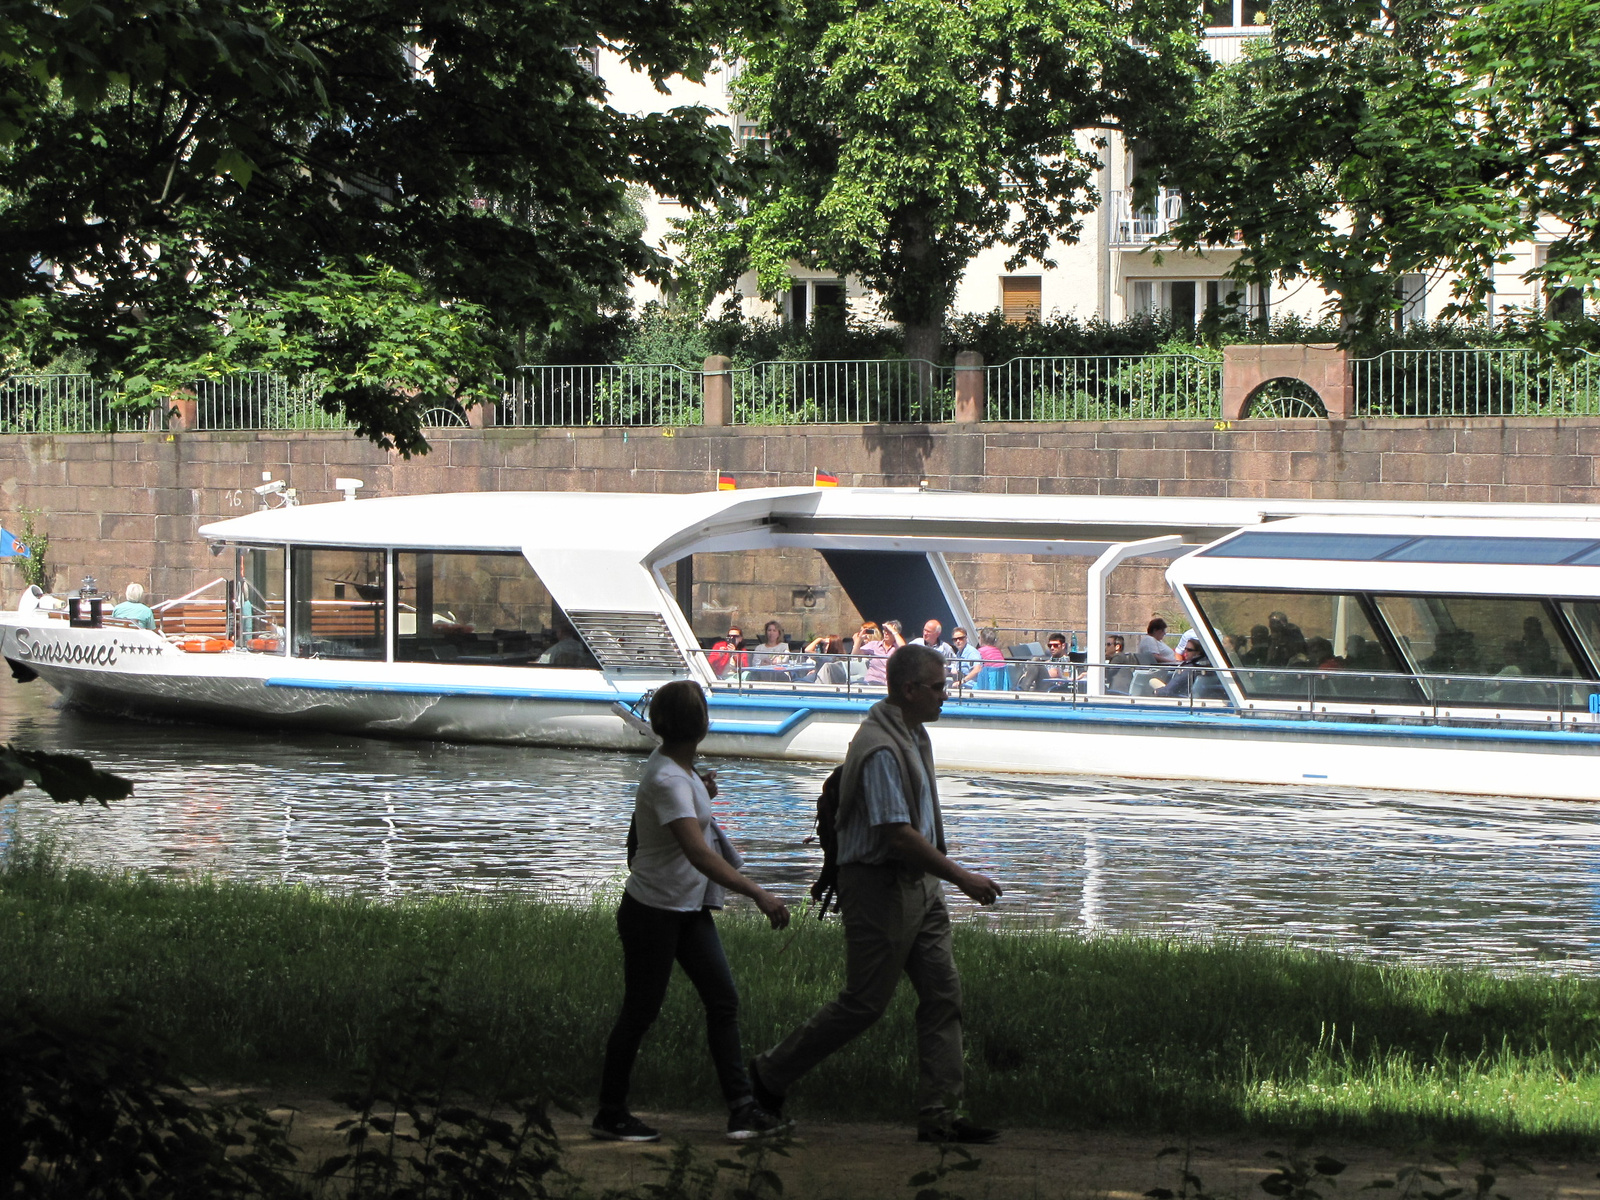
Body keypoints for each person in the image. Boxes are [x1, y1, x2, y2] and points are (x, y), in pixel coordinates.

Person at [749, 645, 1003, 1144]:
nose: (945, 693)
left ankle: (940, 1116)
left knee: (943, 994)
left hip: (918, 885)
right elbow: (896, 834)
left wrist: (938, 877)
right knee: (864, 1002)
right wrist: (962, 877)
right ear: (908, 690)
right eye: (937, 686)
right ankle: (767, 1074)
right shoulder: (882, 748)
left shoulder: (913, 733)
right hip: (880, 885)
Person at [594, 680, 791, 1144]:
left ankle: (742, 1109)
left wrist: (702, 793)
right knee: (640, 1012)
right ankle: (610, 1113)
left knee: (723, 1002)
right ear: (699, 723)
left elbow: (678, 823)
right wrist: (759, 894)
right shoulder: (667, 778)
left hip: (686, 912)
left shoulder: (680, 772)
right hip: (653, 912)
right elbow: (700, 855)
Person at [860, 619, 906, 686]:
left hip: (890, 684)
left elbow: (904, 649)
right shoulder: (874, 645)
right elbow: (854, 654)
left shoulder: (898, 647)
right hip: (872, 682)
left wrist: (893, 630)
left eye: (889, 631)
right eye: (885, 630)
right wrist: (859, 639)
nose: (886, 633)